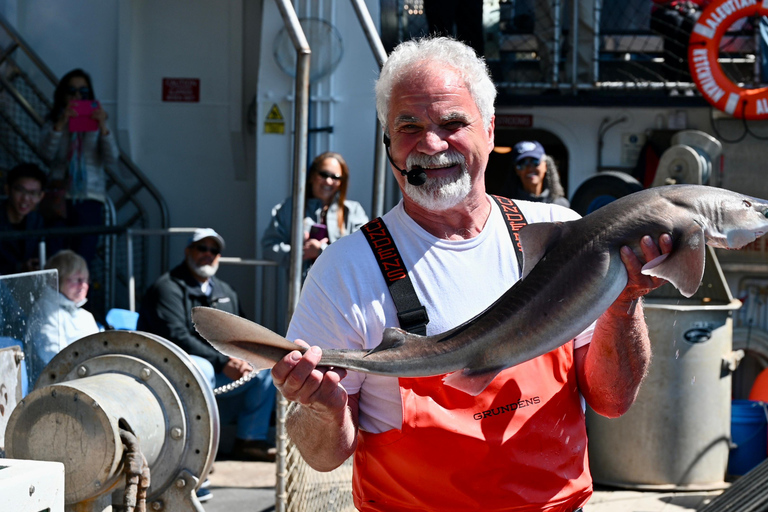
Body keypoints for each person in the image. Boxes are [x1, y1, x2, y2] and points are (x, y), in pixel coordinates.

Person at [271, 36, 671, 511]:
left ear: (491, 129)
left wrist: (624, 302)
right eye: (409, 126)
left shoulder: (562, 236)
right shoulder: (346, 271)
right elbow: (322, 457)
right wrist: (322, 409)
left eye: (453, 122)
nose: (432, 143)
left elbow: (612, 400)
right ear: (388, 141)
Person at [138, 228, 277, 462]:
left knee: (265, 370)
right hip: (173, 371)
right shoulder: (167, 287)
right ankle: (196, 450)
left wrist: (245, 359)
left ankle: (250, 440)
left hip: (221, 368)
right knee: (202, 367)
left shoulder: (225, 291)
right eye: (202, 248)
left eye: (214, 250)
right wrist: (223, 361)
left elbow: (242, 331)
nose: (208, 254)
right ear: (188, 251)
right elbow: (176, 337)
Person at [38, 68, 120, 263]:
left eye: (83, 92)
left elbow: (112, 158)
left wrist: (103, 128)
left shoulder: (98, 122)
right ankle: (53, 293)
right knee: (55, 255)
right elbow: (45, 154)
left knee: (83, 257)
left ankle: (80, 293)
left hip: (90, 196)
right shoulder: (54, 121)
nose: (77, 96)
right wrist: (61, 124)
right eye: (72, 91)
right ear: (62, 94)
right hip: (60, 197)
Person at [262, 151, 369, 274]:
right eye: (323, 174)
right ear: (312, 176)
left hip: (340, 289)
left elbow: (363, 250)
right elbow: (269, 247)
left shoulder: (353, 211)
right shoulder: (291, 207)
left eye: (335, 177)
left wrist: (321, 250)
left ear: (341, 183)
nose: (328, 181)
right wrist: (300, 252)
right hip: (301, 289)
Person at [25, 250, 100, 383]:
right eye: (77, 280)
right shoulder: (45, 310)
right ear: (57, 281)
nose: (83, 285)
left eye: (85, 280)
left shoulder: (85, 316)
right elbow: (53, 357)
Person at [1, 163, 46, 275]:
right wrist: (19, 267)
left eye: (33, 193)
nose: (25, 198)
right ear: (7, 190)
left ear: (41, 196)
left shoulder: (37, 221)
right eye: (20, 190)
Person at [506, 140, 570, 207]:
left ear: (545, 166)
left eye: (535, 162)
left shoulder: (559, 205)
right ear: (516, 170)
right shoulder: (507, 205)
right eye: (522, 164)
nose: (530, 168)